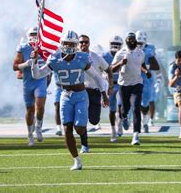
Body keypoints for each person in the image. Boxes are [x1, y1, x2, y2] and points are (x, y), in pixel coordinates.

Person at [31, 30, 109, 170]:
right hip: (65, 95)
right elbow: (37, 75)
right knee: (67, 129)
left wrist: (104, 94)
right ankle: (76, 160)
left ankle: (82, 137)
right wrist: (34, 61)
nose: (68, 46)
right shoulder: (55, 59)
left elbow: (97, 77)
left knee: (79, 129)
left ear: (76, 45)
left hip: (80, 95)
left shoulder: (82, 58)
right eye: (66, 43)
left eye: (71, 43)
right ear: (61, 43)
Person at [111, 32, 151, 146]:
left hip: (137, 83)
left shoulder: (140, 52)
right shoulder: (120, 53)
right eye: (129, 39)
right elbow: (112, 68)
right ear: (126, 41)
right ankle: (124, 117)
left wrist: (146, 71)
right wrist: (120, 62)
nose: (132, 41)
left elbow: (141, 65)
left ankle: (135, 136)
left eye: (133, 39)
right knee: (124, 109)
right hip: (124, 84)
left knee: (136, 108)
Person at [12, 26, 47, 146]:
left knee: (40, 106)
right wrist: (25, 64)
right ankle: (30, 134)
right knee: (30, 109)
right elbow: (14, 66)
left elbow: (50, 66)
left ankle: (38, 127)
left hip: (40, 81)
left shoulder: (45, 48)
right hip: (28, 82)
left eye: (36, 34)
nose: (34, 36)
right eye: (32, 34)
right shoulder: (23, 48)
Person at [78, 35, 113, 134]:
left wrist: (110, 87)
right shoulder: (74, 56)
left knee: (94, 120)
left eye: (86, 42)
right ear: (78, 44)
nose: (83, 44)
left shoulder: (96, 56)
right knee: (81, 117)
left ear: (89, 43)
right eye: (81, 42)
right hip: (81, 91)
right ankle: (84, 143)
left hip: (94, 91)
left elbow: (108, 70)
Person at [135, 30, 160, 133]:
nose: (139, 44)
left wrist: (145, 67)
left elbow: (156, 66)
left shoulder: (149, 50)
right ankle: (132, 121)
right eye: (138, 42)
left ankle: (145, 122)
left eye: (141, 42)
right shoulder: (130, 49)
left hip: (147, 79)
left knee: (145, 102)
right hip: (133, 78)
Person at [102, 35, 124, 142]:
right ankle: (113, 130)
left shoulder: (124, 54)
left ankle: (120, 123)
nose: (115, 46)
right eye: (113, 44)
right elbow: (100, 69)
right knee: (112, 110)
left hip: (120, 84)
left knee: (120, 106)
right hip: (109, 85)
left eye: (118, 44)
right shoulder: (104, 56)